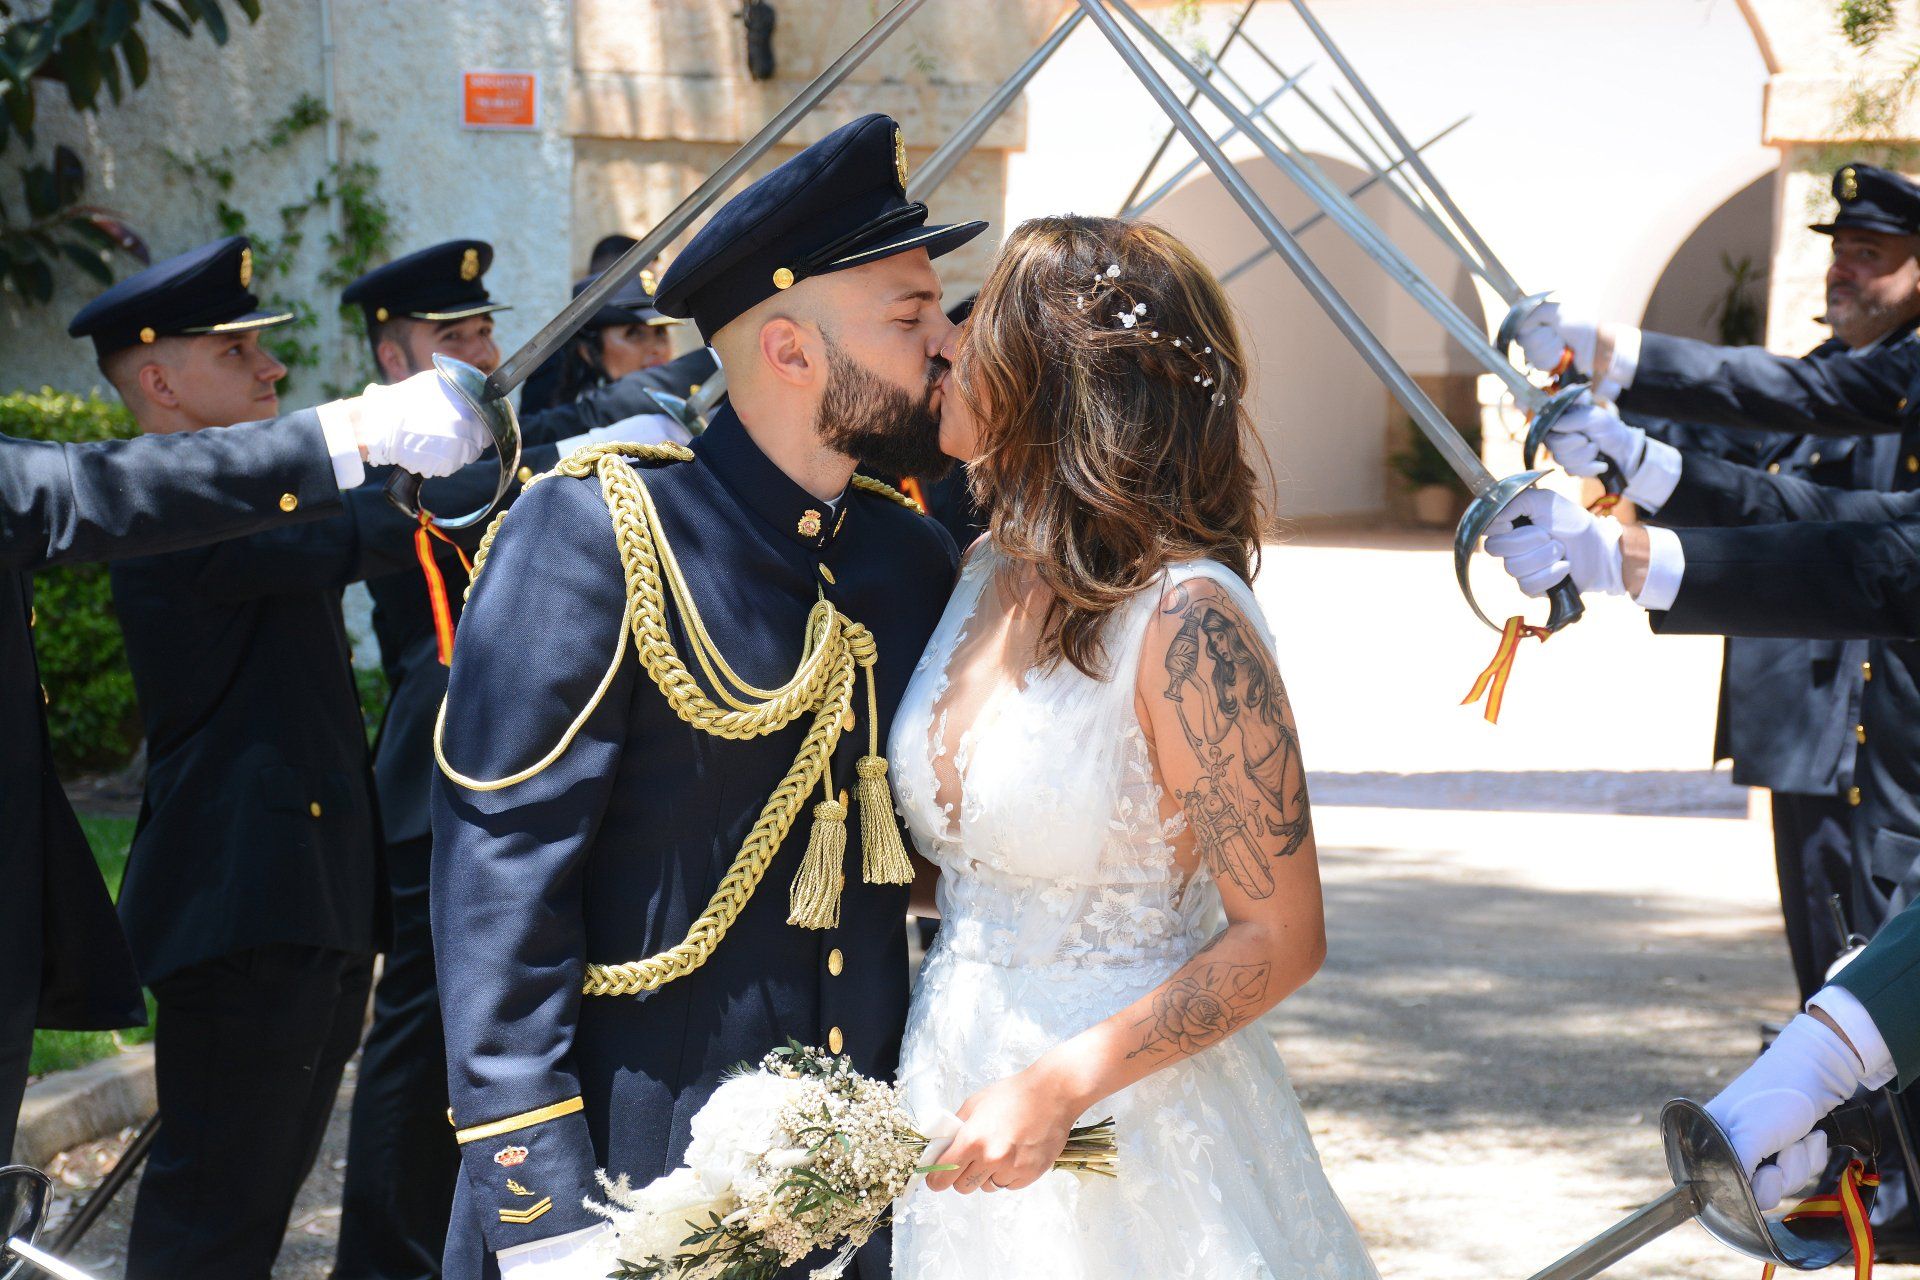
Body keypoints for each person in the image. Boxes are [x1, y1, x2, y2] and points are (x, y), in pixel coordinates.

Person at [430, 112, 981, 1280]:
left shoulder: (905, 557)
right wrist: (543, 1213)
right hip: (635, 1175)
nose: (945, 343)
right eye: (910, 316)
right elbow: (501, 889)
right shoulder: (591, 533)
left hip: (853, 1180)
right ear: (789, 349)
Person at [885, 215, 1377, 1277]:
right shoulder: (981, 568)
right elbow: (978, 863)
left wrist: (1059, 1086)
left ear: (1053, 377)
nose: (948, 343)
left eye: (980, 321)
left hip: (1129, 1124)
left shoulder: (1189, 618)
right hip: (955, 1076)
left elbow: (1281, 933)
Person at [0, 257, 489, 1168]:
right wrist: (554, 453)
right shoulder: (182, 528)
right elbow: (377, 522)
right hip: (243, 901)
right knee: (213, 1216)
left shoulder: (247, 511)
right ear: (160, 384)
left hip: (298, 895)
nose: (272, 367)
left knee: (254, 1198)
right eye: (236, 352)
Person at [330, 241, 715, 1280]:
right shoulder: (402, 448)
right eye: (451, 336)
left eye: (485, 330)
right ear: (392, 354)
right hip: (441, 764)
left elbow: (549, 430)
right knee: (421, 1042)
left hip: (526, 757)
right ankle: (381, 1259)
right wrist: (599, 428)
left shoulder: (503, 424)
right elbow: (507, 464)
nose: (482, 351)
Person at [1525, 163, 1920, 1004]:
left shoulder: (1891, 385)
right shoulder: (1843, 372)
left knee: (1870, 991)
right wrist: (1622, 435)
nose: (1844, 269)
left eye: (1871, 253)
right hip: (1803, 720)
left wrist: (1624, 553)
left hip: (1862, 720)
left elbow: (1875, 548)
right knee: (1829, 976)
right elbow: (1756, 451)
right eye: (1840, 250)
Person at [548, 270, 693, 412]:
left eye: (660, 332)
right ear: (587, 351)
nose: (658, 349)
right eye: (634, 333)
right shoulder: (573, 422)